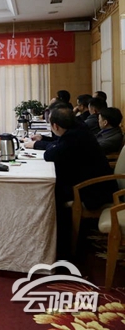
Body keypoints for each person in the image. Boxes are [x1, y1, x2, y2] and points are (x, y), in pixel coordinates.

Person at [43, 107, 116, 257]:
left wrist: (47, 145)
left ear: (55, 126)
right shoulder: (78, 130)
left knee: (52, 192)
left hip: (95, 191)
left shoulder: (74, 137)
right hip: (97, 183)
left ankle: (62, 247)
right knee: (54, 185)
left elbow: (50, 154)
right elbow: (57, 146)